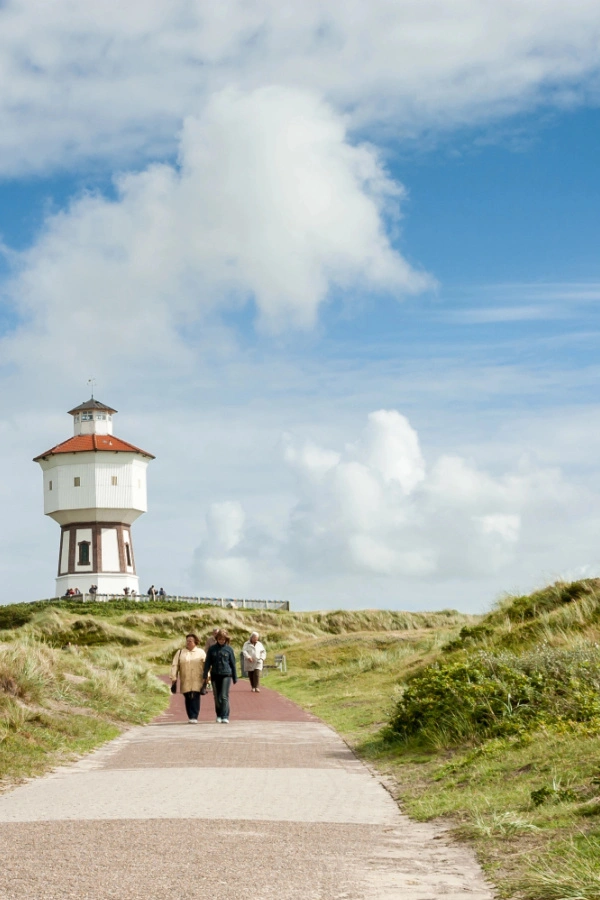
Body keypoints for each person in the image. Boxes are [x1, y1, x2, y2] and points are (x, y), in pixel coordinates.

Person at [170, 634, 206, 724]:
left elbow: (206, 666)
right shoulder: (180, 652)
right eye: (187, 640)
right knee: (187, 696)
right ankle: (190, 715)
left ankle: (194, 716)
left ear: (195, 642)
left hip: (197, 679)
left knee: (195, 696)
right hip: (185, 678)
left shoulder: (201, 652)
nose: (188, 642)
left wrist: (207, 677)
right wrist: (174, 677)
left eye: (190, 641)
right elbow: (175, 665)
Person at [203, 629, 237, 723]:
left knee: (224, 696)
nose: (222, 641)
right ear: (217, 638)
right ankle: (219, 715)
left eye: (223, 639)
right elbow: (207, 663)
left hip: (226, 674)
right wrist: (205, 675)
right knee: (216, 697)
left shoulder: (229, 649)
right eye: (220, 639)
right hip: (215, 675)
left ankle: (225, 716)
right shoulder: (212, 649)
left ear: (226, 639)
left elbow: (233, 664)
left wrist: (235, 677)